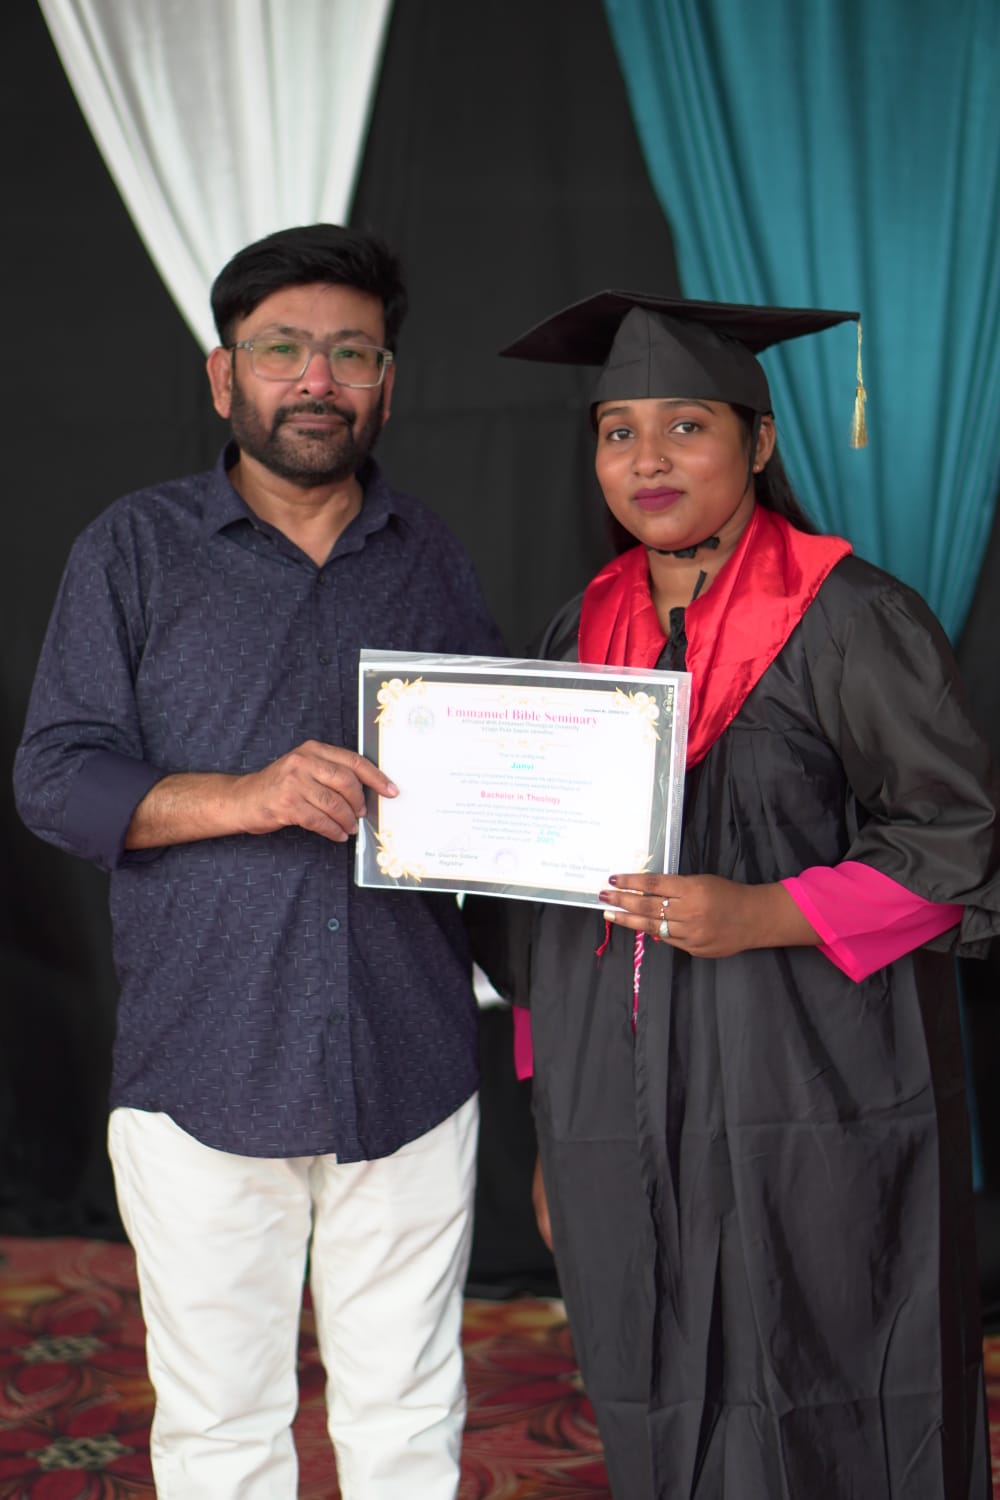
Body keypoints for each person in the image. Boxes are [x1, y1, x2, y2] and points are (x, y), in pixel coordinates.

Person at [13, 223, 505, 1500]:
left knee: (408, 1418)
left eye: (352, 353)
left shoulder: (431, 557)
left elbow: (495, 789)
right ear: (223, 374)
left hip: (408, 1055)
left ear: (388, 381)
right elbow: (54, 779)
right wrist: (249, 796)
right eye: (282, 349)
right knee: (221, 1430)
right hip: (204, 1064)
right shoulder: (132, 549)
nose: (317, 380)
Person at [495, 290, 1000, 1499]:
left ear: (758, 442)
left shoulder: (851, 617)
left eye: (685, 426)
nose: (647, 460)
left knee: (834, 1368)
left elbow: (954, 837)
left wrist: (761, 914)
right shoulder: (581, 629)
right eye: (617, 431)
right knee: (649, 1368)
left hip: (813, 1085)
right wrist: (553, 1119)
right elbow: (541, 899)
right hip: (617, 1092)